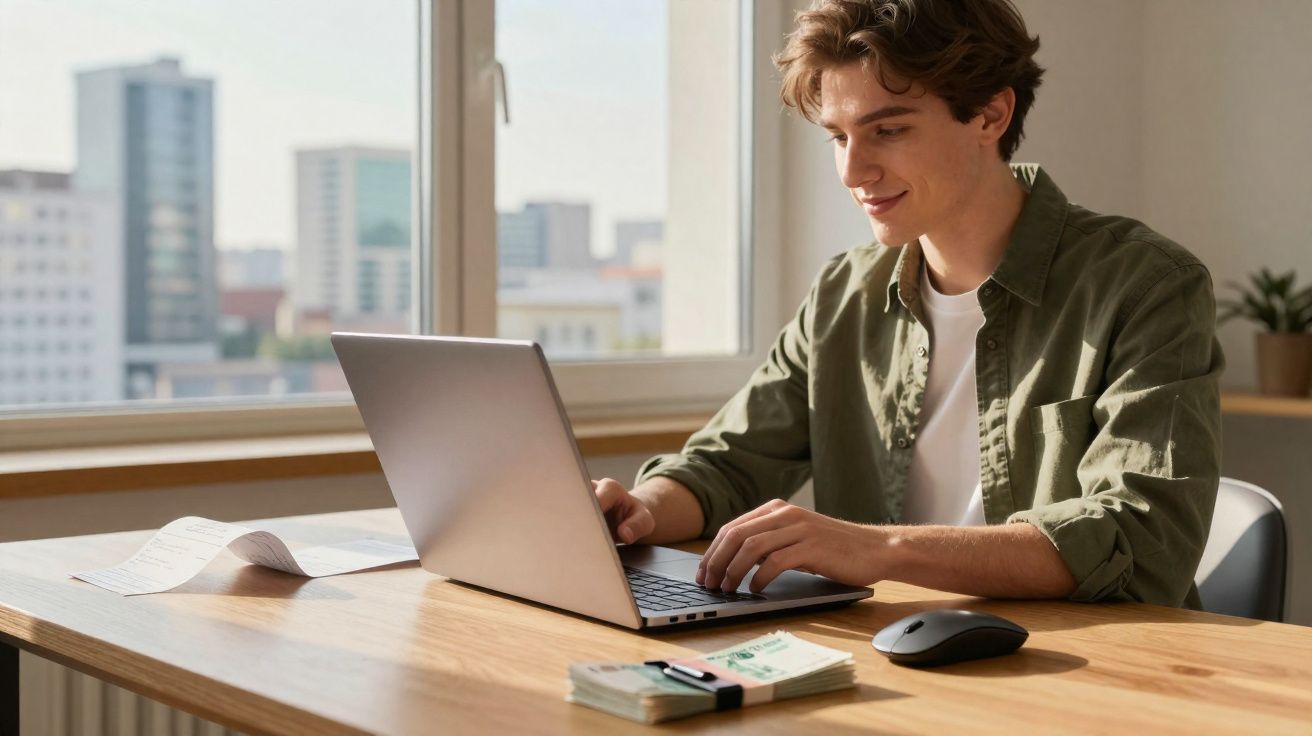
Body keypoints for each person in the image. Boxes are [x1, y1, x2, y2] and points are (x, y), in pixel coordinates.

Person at [593, 0, 1222, 608]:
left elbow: (1137, 538)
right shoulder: (844, 293)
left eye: (887, 130)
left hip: (1085, 673)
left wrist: (881, 549)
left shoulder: (1147, 285)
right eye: (838, 136)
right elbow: (729, 463)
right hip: (886, 658)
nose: (851, 169)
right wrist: (644, 509)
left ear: (990, 114)